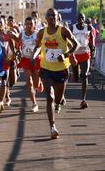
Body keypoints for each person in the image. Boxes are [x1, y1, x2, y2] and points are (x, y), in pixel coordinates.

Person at [31, 8, 79, 139]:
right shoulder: (41, 32)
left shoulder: (63, 30)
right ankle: (52, 127)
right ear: (45, 18)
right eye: (49, 15)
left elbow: (76, 44)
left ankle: (60, 101)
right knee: (50, 97)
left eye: (54, 15)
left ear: (58, 17)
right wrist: (34, 56)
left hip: (62, 70)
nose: (51, 17)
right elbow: (38, 47)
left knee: (57, 99)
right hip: (46, 69)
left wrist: (66, 55)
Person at [70, 13, 95, 109]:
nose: (81, 20)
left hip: (85, 53)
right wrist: (70, 53)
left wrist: (93, 50)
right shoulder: (72, 28)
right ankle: (76, 74)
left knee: (84, 76)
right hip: (76, 54)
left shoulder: (88, 27)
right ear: (77, 19)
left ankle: (83, 100)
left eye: (83, 18)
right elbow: (69, 40)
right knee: (76, 78)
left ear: (84, 19)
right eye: (79, 18)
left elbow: (92, 40)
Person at [17, 17, 41, 112]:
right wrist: (18, 52)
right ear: (24, 25)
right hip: (25, 59)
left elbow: (40, 47)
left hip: (35, 60)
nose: (29, 26)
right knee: (29, 82)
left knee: (36, 83)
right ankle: (34, 103)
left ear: (34, 25)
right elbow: (18, 46)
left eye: (31, 24)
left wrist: (34, 56)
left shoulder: (37, 34)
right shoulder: (22, 34)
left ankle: (39, 83)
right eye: (27, 23)